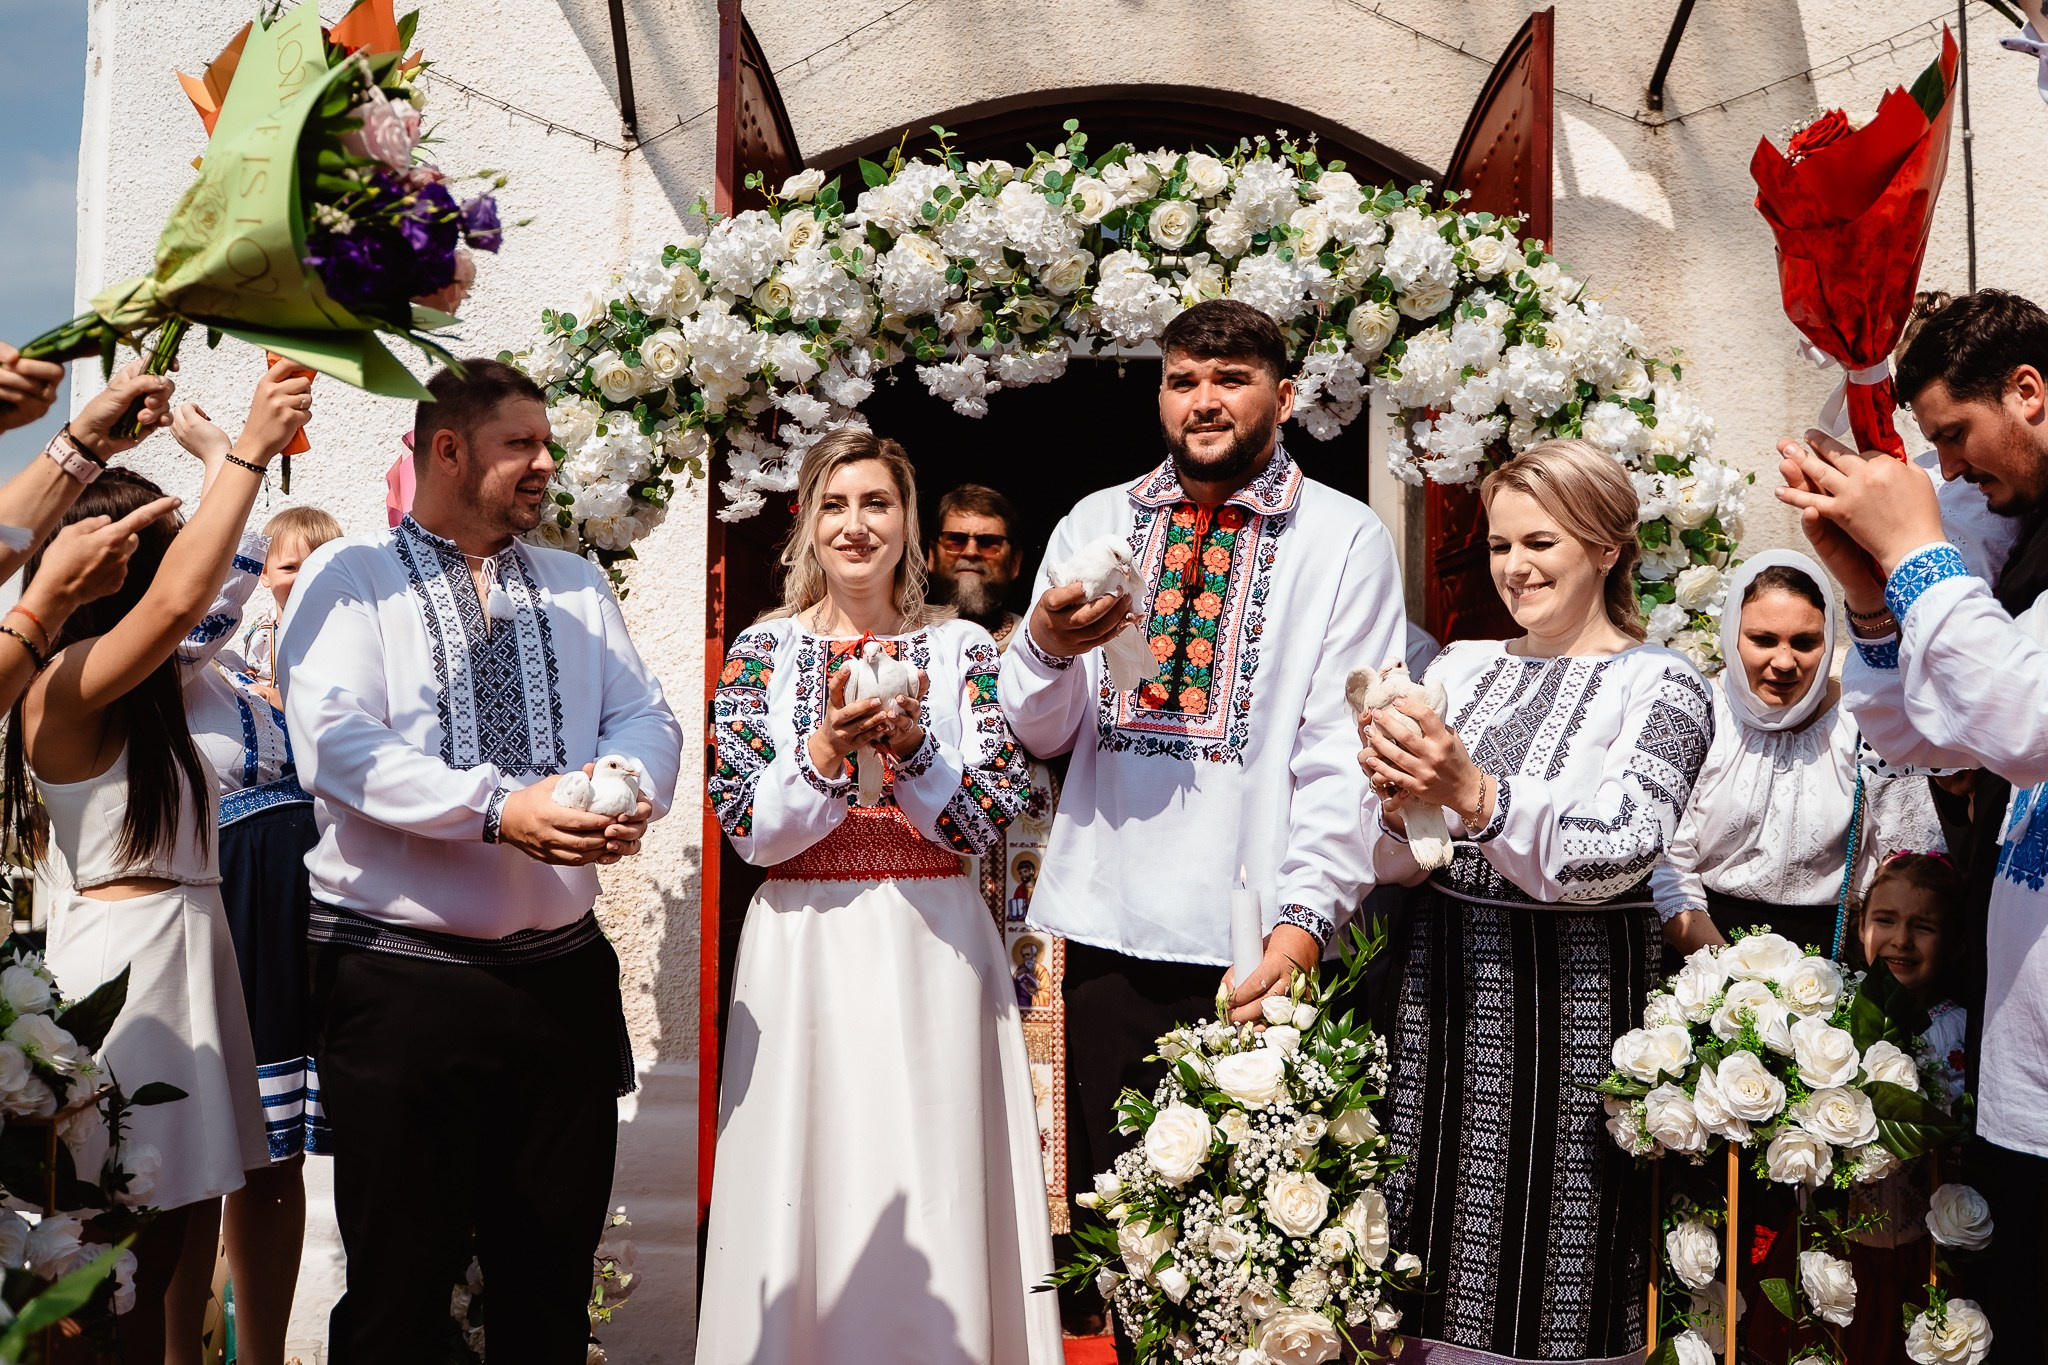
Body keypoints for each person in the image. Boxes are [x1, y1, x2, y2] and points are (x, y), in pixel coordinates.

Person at [1000, 298, 1404, 1352]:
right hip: (1106, 931)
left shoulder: (1340, 538)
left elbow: (1340, 754)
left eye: (1228, 379)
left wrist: (1302, 924)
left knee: (1264, 1257)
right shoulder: (1096, 522)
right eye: (1183, 380)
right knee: (1133, 1249)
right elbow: (1042, 730)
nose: (1204, 400)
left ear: (1284, 395)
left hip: (1254, 942)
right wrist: (1041, 648)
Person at [278, 360, 682, 1365]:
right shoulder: (352, 577)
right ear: (446, 450)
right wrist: (500, 810)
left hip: (560, 983)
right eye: (522, 445)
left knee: (546, 1290)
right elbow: (334, 743)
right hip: (399, 979)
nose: (547, 462)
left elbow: (645, 712)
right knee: (396, 1297)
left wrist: (624, 786)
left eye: (546, 443)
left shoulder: (577, 583)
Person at [697, 428, 1060, 1365]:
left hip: (932, 937)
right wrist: (822, 752)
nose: (856, 526)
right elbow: (746, 825)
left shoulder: (964, 647)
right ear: (807, 524)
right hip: (802, 944)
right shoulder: (760, 651)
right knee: (805, 1169)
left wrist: (912, 750)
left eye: (878, 504)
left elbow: (992, 816)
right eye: (836, 505)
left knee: (932, 1163)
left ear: (909, 523)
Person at [1359, 439, 1713, 1363]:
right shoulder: (1460, 668)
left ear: (1606, 546)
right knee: (1418, 1254)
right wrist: (1397, 803)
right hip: (1440, 1002)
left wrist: (1472, 789)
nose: (1515, 568)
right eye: (1500, 546)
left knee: (1557, 1273)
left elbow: (1617, 851)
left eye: (1541, 542)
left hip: (1575, 1019)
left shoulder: (1664, 683)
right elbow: (1400, 860)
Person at [0, 361, 311, 1365]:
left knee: (167, 1255)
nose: (185, 564)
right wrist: (250, 450)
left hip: (187, 970)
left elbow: (200, 598)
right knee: (108, 1275)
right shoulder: (64, 690)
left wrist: (222, 460)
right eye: (163, 548)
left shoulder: (160, 691)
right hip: (123, 990)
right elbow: (183, 601)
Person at [1778, 287, 2048, 1362]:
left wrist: (1918, 546)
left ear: (2025, 390)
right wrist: (1879, 598)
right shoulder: (2024, 539)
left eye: (1953, 436)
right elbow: (1934, 737)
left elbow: (2017, 720)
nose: (1947, 471)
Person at [166, 392, 345, 1365]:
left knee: (274, 1161)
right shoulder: (179, 672)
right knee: (202, 1162)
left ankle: (264, 1359)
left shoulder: (279, 692)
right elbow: (197, 616)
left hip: (295, 924)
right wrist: (225, 459)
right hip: (219, 911)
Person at [1654, 551, 1942, 956]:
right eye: (1763, 640)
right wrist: (1726, 979)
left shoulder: (1863, 722)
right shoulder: (1699, 715)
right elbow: (1665, 866)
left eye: (1805, 643)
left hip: (1835, 956)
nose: (1784, 662)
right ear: (1732, 635)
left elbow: (1904, 857)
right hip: (1700, 948)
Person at [930, 482, 1026, 647]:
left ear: (1014, 562)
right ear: (931, 556)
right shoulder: (901, 634)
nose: (970, 551)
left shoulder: (1035, 643)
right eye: (956, 540)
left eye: (988, 542)